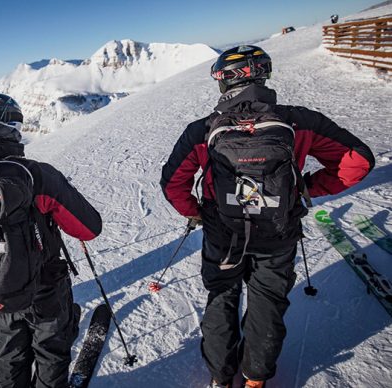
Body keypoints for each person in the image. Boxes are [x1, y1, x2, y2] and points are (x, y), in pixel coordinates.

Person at [159, 45, 374, 388]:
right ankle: (255, 379)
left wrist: (197, 212)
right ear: (264, 75)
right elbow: (358, 162)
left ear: (225, 81)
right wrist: (307, 188)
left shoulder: (202, 130)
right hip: (278, 231)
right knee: (268, 304)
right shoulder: (298, 122)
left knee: (222, 299)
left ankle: (220, 377)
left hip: (223, 233)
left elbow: (173, 184)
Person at [0, 93, 102, 388]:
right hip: (44, 287)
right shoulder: (36, 174)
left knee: (11, 353)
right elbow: (89, 227)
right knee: (50, 353)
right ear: (9, 128)